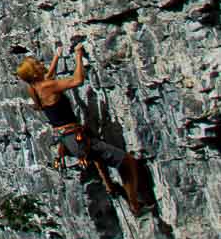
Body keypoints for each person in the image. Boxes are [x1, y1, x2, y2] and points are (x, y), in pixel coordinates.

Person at [15, 44, 149, 214]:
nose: (42, 64)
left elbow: (49, 76)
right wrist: (78, 56)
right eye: (38, 64)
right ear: (34, 73)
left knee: (96, 154)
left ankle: (110, 186)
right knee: (127, 161)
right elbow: (77, 80)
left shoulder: (35, 88)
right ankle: (135, 206)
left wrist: (57, 56)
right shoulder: (47, 87)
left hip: (68, 139)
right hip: (75, 138)